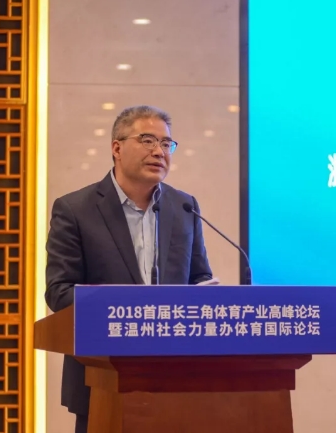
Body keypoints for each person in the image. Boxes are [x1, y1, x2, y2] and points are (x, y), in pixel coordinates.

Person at [44, 105, 213, 433]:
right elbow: (59, 292)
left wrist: (204, 295)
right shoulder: (75, 209)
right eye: (147, 140)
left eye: (166, 144)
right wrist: (126, 308)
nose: (159, 152)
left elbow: (199, 277)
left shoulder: (184, 206)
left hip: (176, 381)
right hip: (101, 381)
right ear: (117, 148)